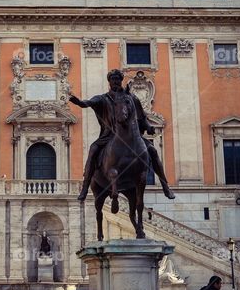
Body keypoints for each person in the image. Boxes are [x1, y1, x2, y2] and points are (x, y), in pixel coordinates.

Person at [69, 69, 175, 208]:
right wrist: (79, 102)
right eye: (113, 79)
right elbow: (88, 103)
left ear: (121, 80)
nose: (116, 82)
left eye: (118, 79)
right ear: (109, 82)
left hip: (132, 136)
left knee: (153, 152)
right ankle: (85, 186)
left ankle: (165, 185)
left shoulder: (132, 98)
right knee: (93, 149)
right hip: (110, 135)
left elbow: (142, 117)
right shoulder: (103, 98)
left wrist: (148, 127)